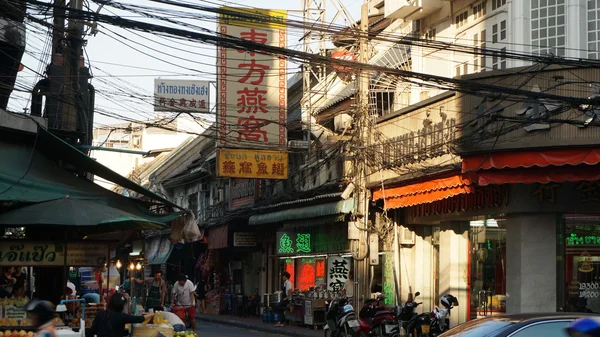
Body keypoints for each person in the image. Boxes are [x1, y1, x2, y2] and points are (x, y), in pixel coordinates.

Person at [88, 294, 153, 337]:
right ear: (120, 306)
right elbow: (139, 319)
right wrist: (151, 314)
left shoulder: (100, 314)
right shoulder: (121, 316)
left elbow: (92, 331)